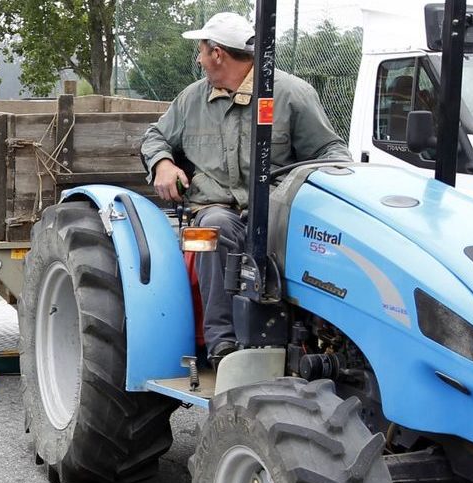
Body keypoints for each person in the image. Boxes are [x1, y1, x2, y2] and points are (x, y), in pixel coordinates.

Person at [140, 12, 351, 363]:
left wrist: (295, 192)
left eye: (201, 50)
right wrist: (162, 162)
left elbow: (331, 153)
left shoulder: (292, 95)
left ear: (218, 53)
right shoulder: (192, 99)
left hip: (275, 211)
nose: (198, 58)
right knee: (215, 228)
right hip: (218, 209)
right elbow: (155, 136)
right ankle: (223, 344)